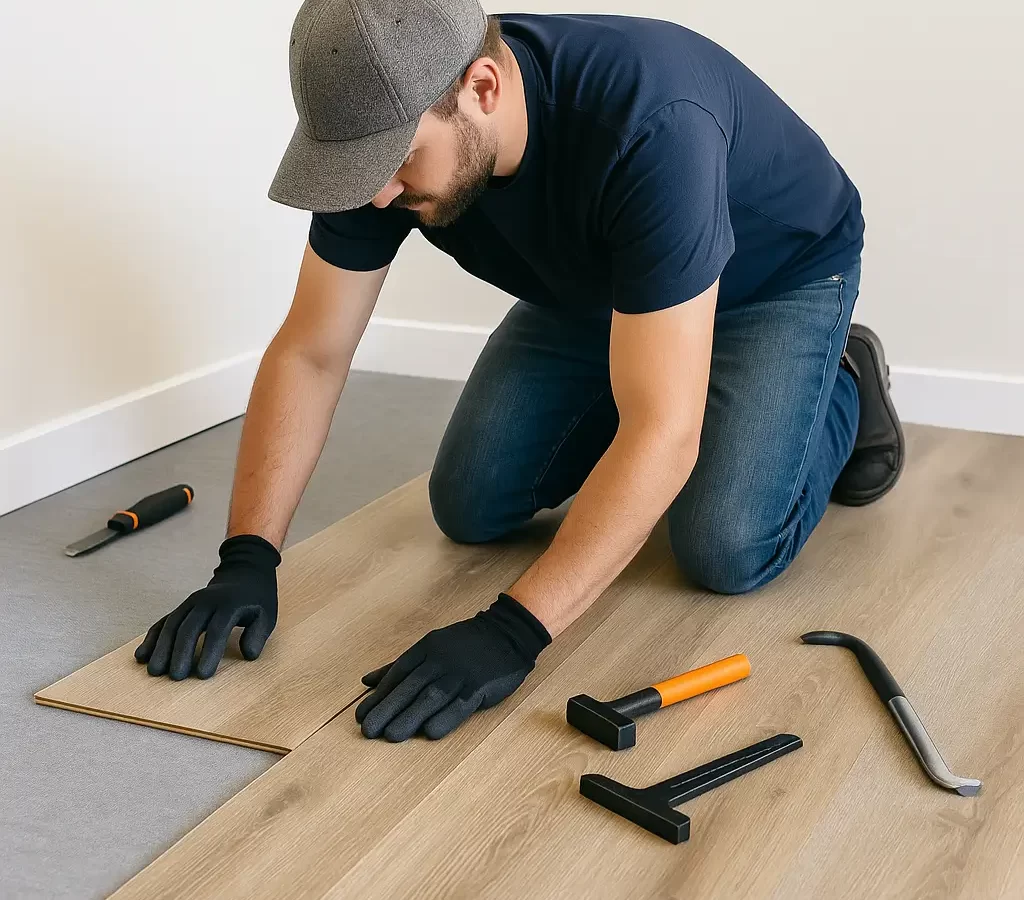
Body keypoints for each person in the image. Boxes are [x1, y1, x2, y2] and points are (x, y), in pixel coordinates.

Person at [134, 0, 905, 743]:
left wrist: (515, 629)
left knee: (725, 547)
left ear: (482, 88)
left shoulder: (651, 124)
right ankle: (648, 362)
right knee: (471, 505)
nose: (378, 193)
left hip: (774, 280)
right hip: (600, 288)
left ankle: (845, 376)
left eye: (399, 160)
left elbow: (664, 432)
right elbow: (312, 350)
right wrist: (247, 555)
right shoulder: (379, 143)